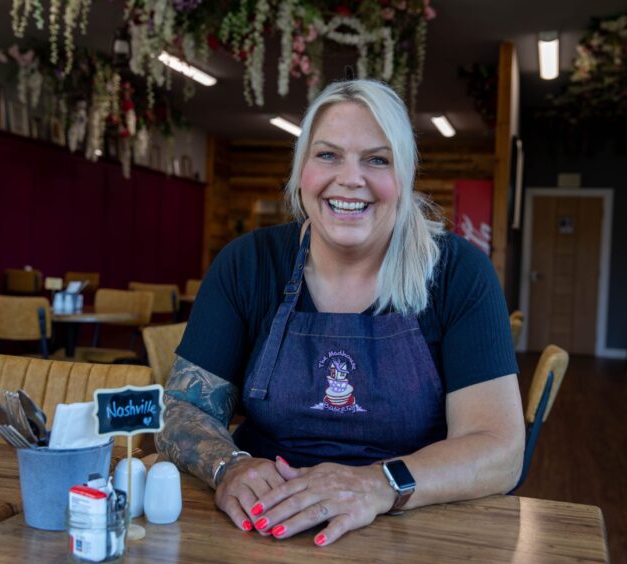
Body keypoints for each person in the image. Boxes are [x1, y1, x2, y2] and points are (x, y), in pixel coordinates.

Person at [154, 78, 524, 547]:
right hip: (267, 524)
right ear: (301, 170)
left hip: (414, 527)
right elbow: (182, 408)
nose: (350, 178)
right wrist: (230, 466)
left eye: (377, 159)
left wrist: (378, 484)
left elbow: (501, 449)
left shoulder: (457, 273)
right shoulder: (248, 264)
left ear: (403, 177)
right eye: (327, 155)